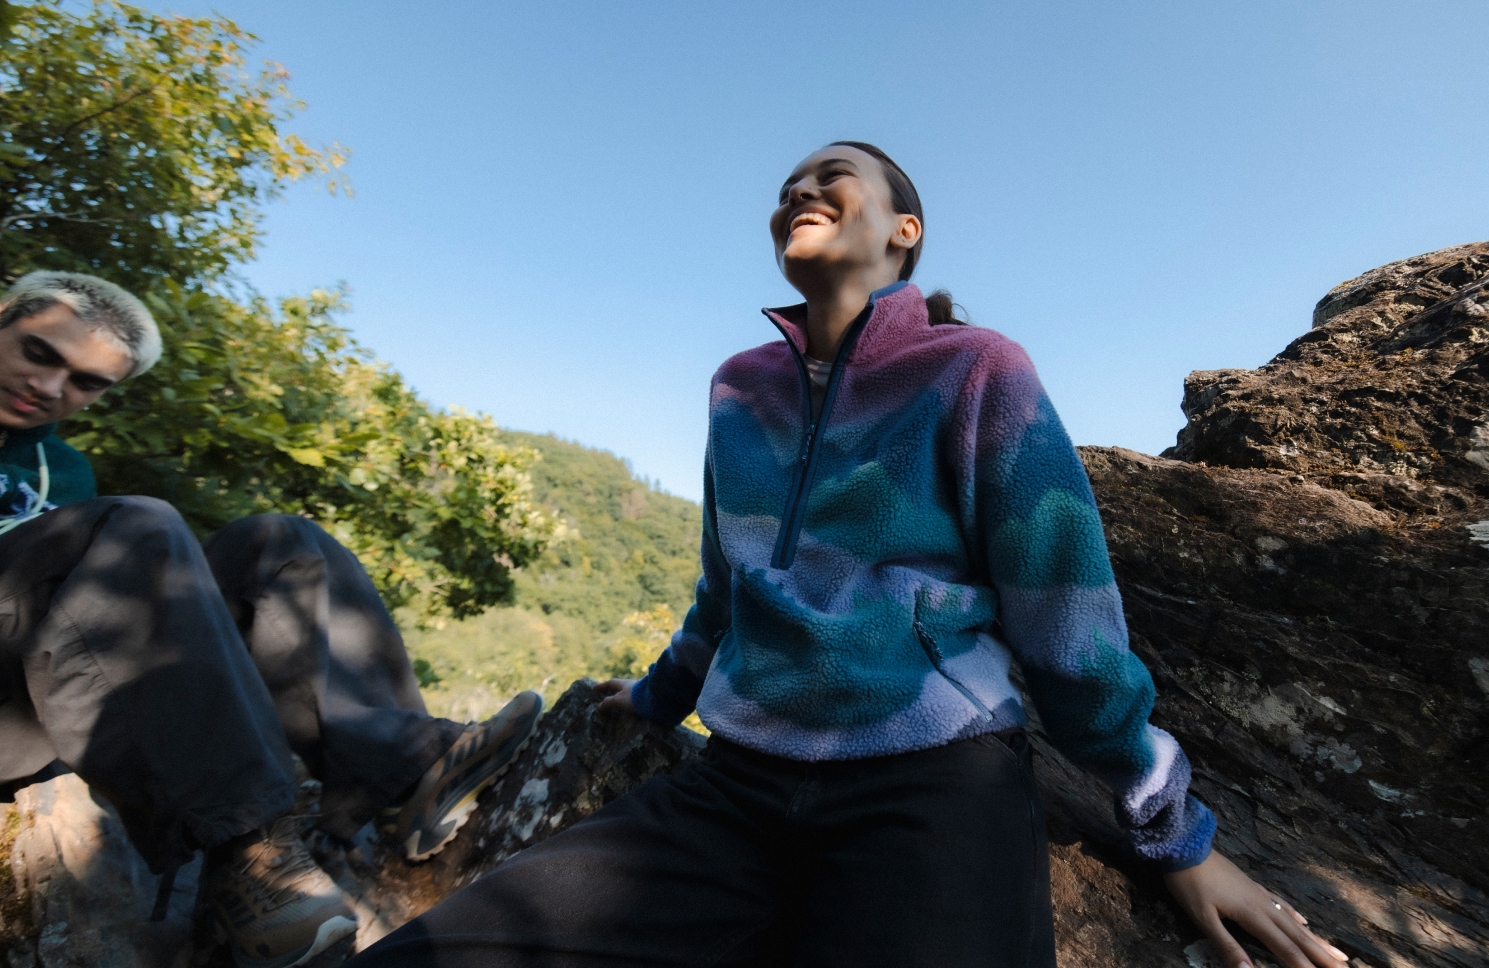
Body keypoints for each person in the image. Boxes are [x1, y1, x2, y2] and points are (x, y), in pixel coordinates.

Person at [351, 143, 1352, 968]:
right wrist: (655, 698)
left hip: (934, 786)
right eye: (786, 185)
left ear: (902, 231)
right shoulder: (737, 390)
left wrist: (1172, 833)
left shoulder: (976, 368)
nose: (797, 190)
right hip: (730, 788)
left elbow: (1065, 612)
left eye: (830, 175)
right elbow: (725, 585)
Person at [0, 271, 544, 968]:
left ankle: (403, 772)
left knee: (280, 546)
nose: (52, 390)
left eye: (86, 383)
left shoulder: (61, 470)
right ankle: (252, 856)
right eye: (40, 354)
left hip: (35, 691)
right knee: (137, 523)